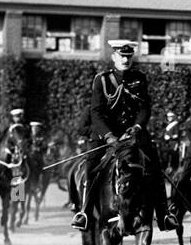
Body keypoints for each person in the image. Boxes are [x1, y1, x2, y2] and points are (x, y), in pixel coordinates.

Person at [72, 38, 175, 231]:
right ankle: (84, 212)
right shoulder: (102, 80)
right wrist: (108, 135)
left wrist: (137, 127)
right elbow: (96, 112)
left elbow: (144, 108)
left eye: (129, 56)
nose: (126, 60)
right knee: (91, 166)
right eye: (122, 56)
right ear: (114, 57)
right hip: (107, 136)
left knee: (155, 166)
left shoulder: (140, 78)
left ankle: (164, 214)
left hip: (133, 134)